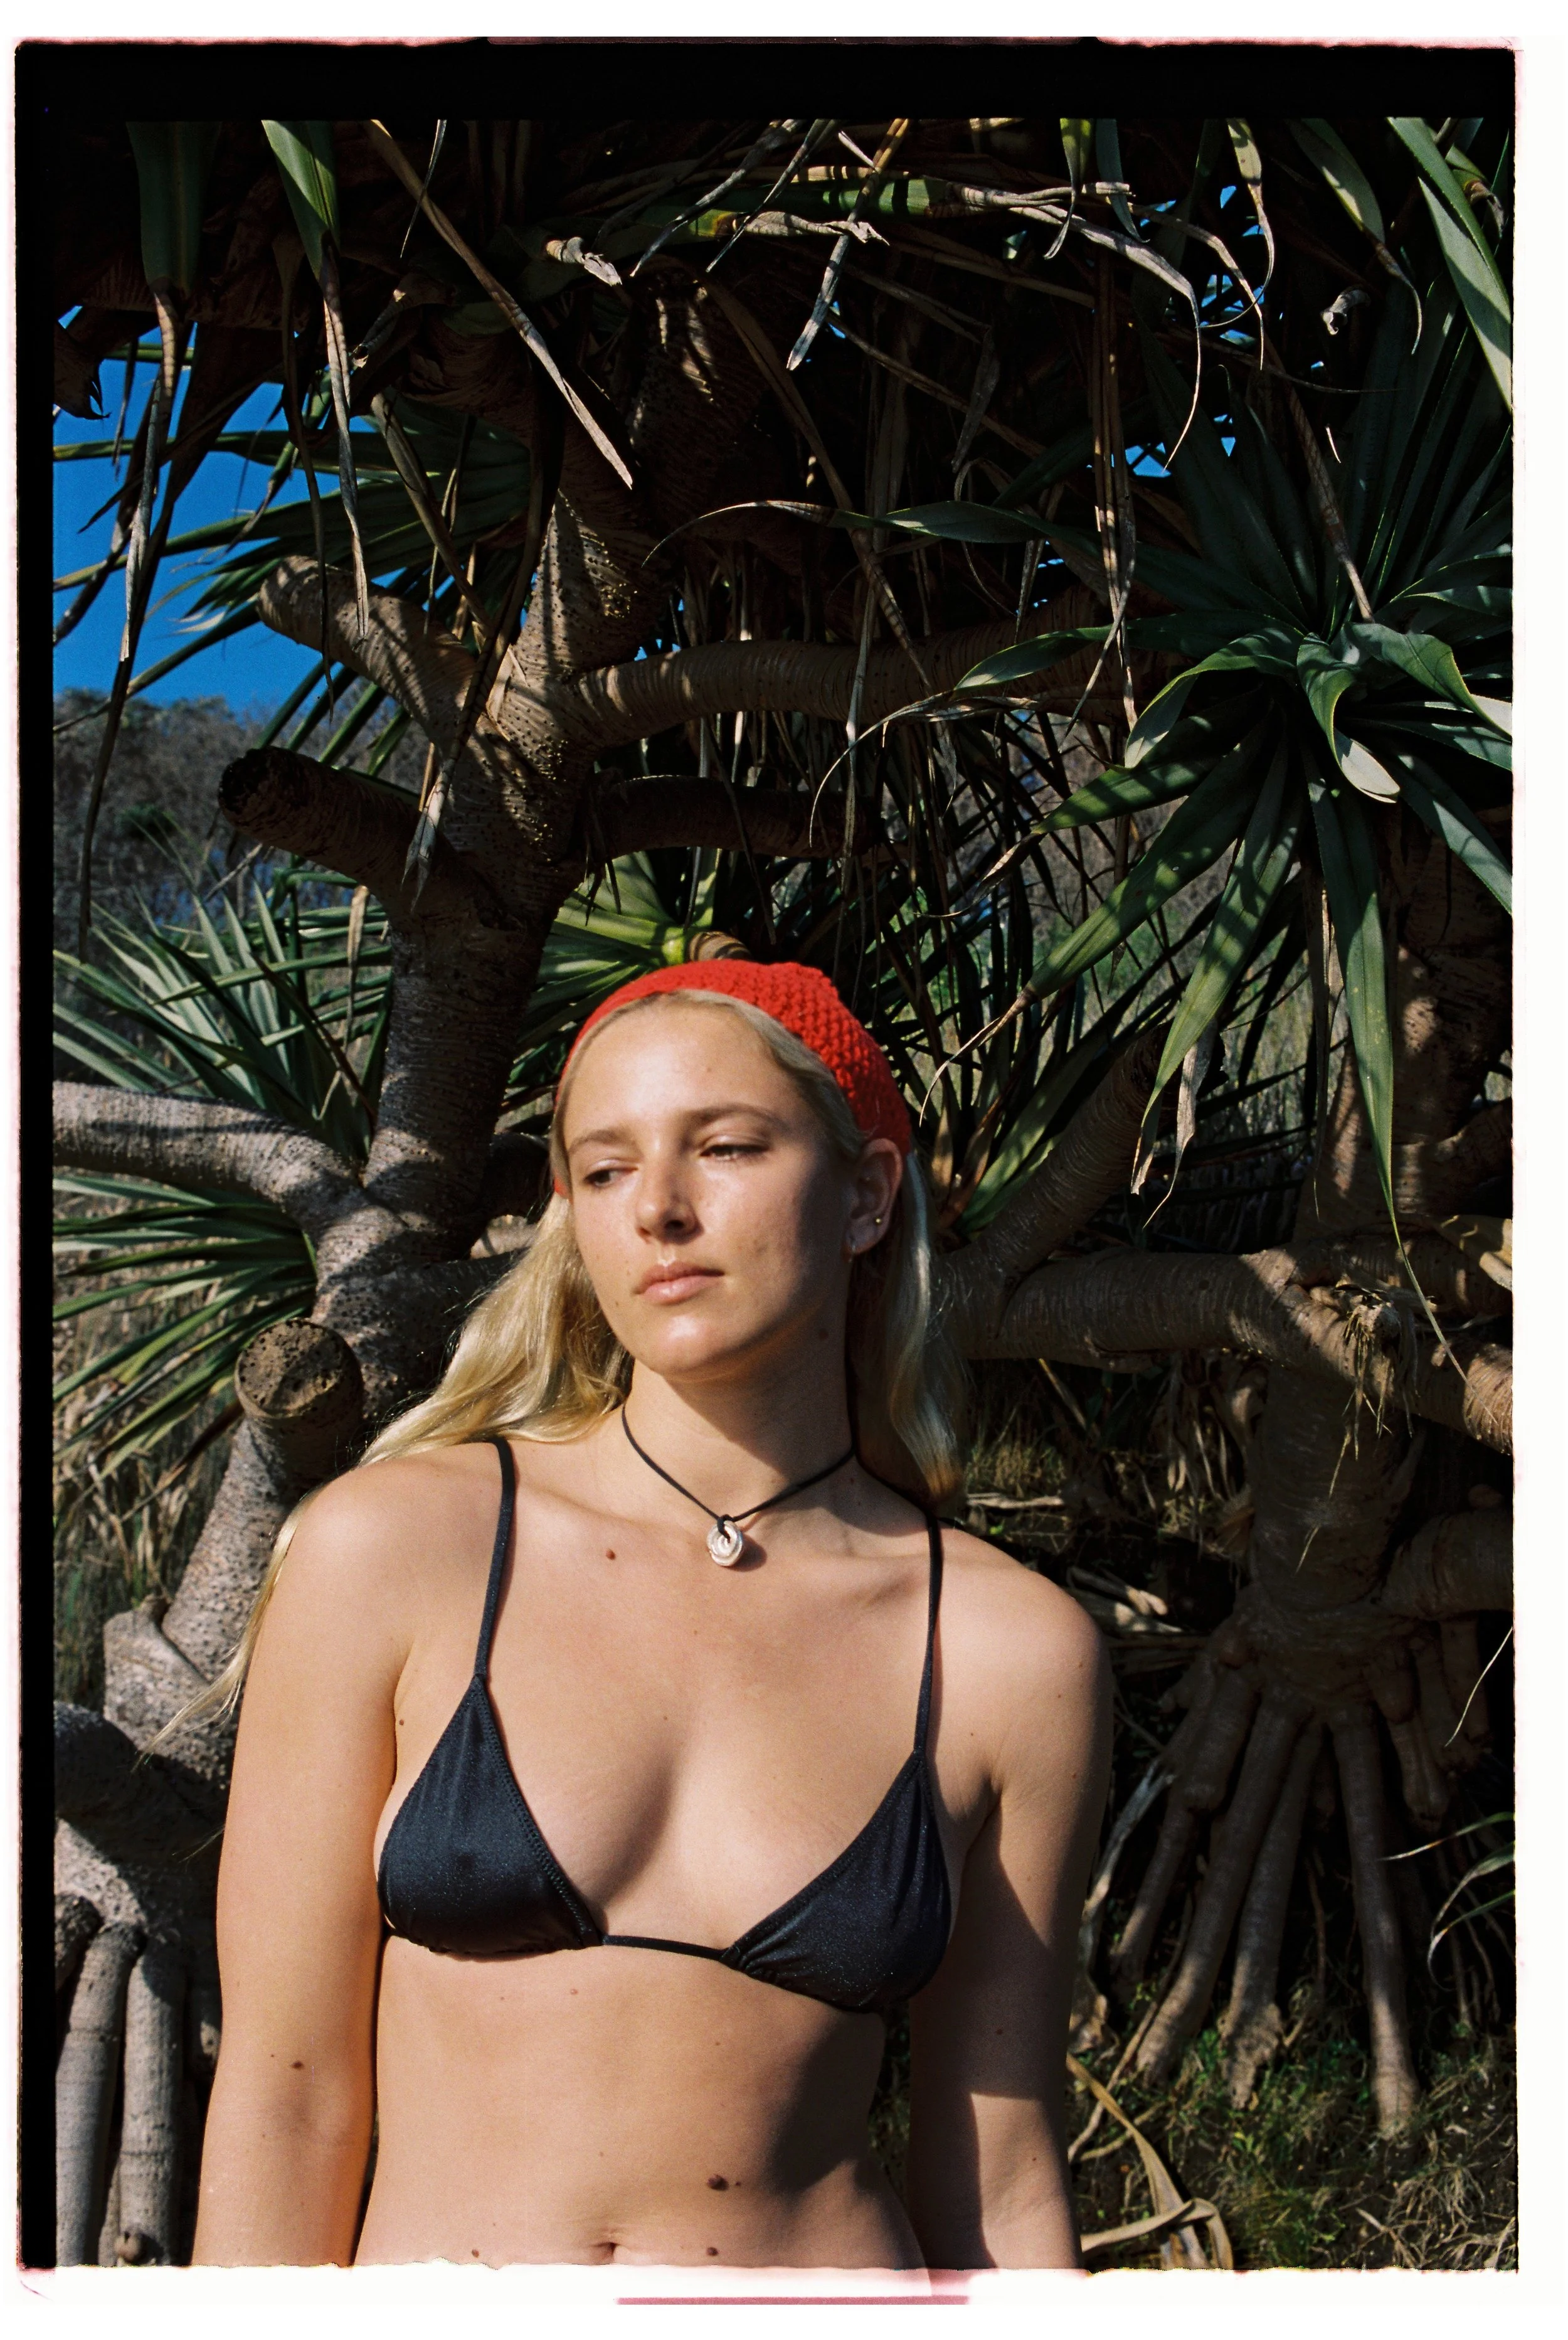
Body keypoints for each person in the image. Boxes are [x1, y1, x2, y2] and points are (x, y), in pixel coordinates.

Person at [192, 959, 1111, 2270]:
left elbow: (1001, 2177)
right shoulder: (396, 1548)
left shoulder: (1007, 1650)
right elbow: (286, 2097)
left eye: (725, 1147)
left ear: (865, 1193)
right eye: (606, 1169)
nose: (661, 1210)